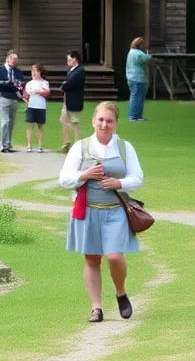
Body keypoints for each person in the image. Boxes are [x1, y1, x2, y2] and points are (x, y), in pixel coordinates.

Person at [59, 102, 144, 322]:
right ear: (93, 121)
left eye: (109, 121)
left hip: (116, 210)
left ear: (116, 123)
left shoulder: (124, 148)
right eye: (101, 120)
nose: (104, 125)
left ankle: (120, 292)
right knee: (92, 259)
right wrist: (84, 175)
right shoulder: (80, 147)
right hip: (88, 210)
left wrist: (119, 183)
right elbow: (64, 179)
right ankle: (96, 307)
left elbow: (137, 178)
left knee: (115, 256)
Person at [0, 51, 25, 152]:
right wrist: (12, 85)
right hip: (3, 98)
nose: (15, 62)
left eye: (16, 60)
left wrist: (12, 85)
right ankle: (4, 145)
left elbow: (19, 84)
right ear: (8, 59)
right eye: (13, 59)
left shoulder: (18, 72)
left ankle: (8, 143)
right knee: (5, 121)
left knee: (11, 122)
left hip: (14, 99)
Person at [60, 50, 87, 152]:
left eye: (70, 60)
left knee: (75, 122)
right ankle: (66, 142)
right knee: (63, 120)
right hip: (67, 101)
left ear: (75, 59)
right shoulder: (71, 71)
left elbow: (70, 84)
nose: (68, 62)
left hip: (74, 101)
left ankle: (78, 144)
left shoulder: (80, 71)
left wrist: (64, 86)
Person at [22, 64, 50, 152]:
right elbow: (25, 95)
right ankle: (29, 145)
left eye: (35, 71)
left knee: (40, 126)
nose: (33, 73)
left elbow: (47, 92)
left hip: (40, 106)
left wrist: (38, 92)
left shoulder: (44, 82)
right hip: (31, 106)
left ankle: (40, 146)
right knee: (30, 125)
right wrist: (26, 99)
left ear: (39, 72)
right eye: (32, 71)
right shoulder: (29, 83)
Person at [125, 38, 152, 122]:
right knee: (136, 97)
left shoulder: (131, 52)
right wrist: (150, 56)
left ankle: (137, 116)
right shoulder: (139, 53)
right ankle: (133, 116)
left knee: (138, 97)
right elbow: (147, 59)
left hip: (130, 77)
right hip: (138, 77)